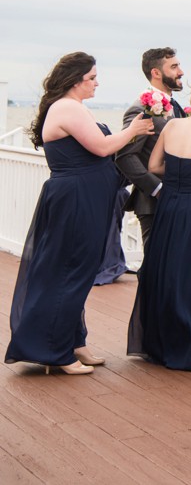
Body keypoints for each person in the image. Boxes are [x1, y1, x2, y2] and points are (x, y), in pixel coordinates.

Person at [5, 52, 154, 374]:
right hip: (76, 199)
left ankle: (75, 343)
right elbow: (102, 148)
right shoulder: (67, 107)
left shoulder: (71, 107)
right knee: (70, 270)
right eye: (92, 78)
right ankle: (56, 353)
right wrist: (135, 130)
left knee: (79, 270)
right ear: (76, 80)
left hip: (84, 197)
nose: (97, 83)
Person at [127, 79, 191, 372]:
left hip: (170, 204)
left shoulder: (171, 126)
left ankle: (160, 342)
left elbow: (154, 167)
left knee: (167, 269)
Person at [115, 47, 187, 252]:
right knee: (155, 269)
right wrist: (158, 189)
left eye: (179, 66)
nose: (180, 72)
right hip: (154, 203)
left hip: (179, 198)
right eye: (174, 67)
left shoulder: (176, 106)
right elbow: (125, 156)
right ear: (156, 73)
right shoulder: (141, 109)